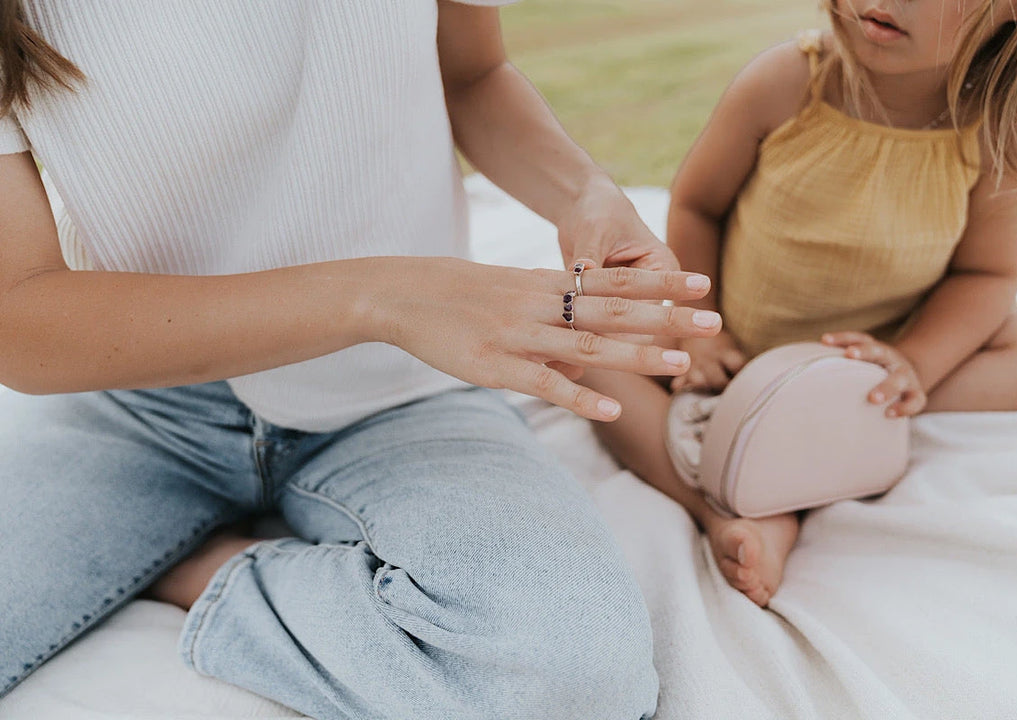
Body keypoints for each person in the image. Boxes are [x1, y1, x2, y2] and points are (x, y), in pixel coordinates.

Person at [0, 2, 726, 718]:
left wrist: (586, 195)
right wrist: (386, 297)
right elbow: (17, 316)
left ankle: (205, 566)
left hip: (404, 393)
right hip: (143, 400)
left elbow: (473, 74)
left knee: (570, 678)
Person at [585, 0, 1017, 608]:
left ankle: (825, 432)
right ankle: (723, 507)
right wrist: (700, 333)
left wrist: (913, 363)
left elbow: (986, 274)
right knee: (589, 342)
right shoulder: (788, 82)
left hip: (868, 366)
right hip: (734, 354)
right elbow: (696, 207)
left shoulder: (997, 134)